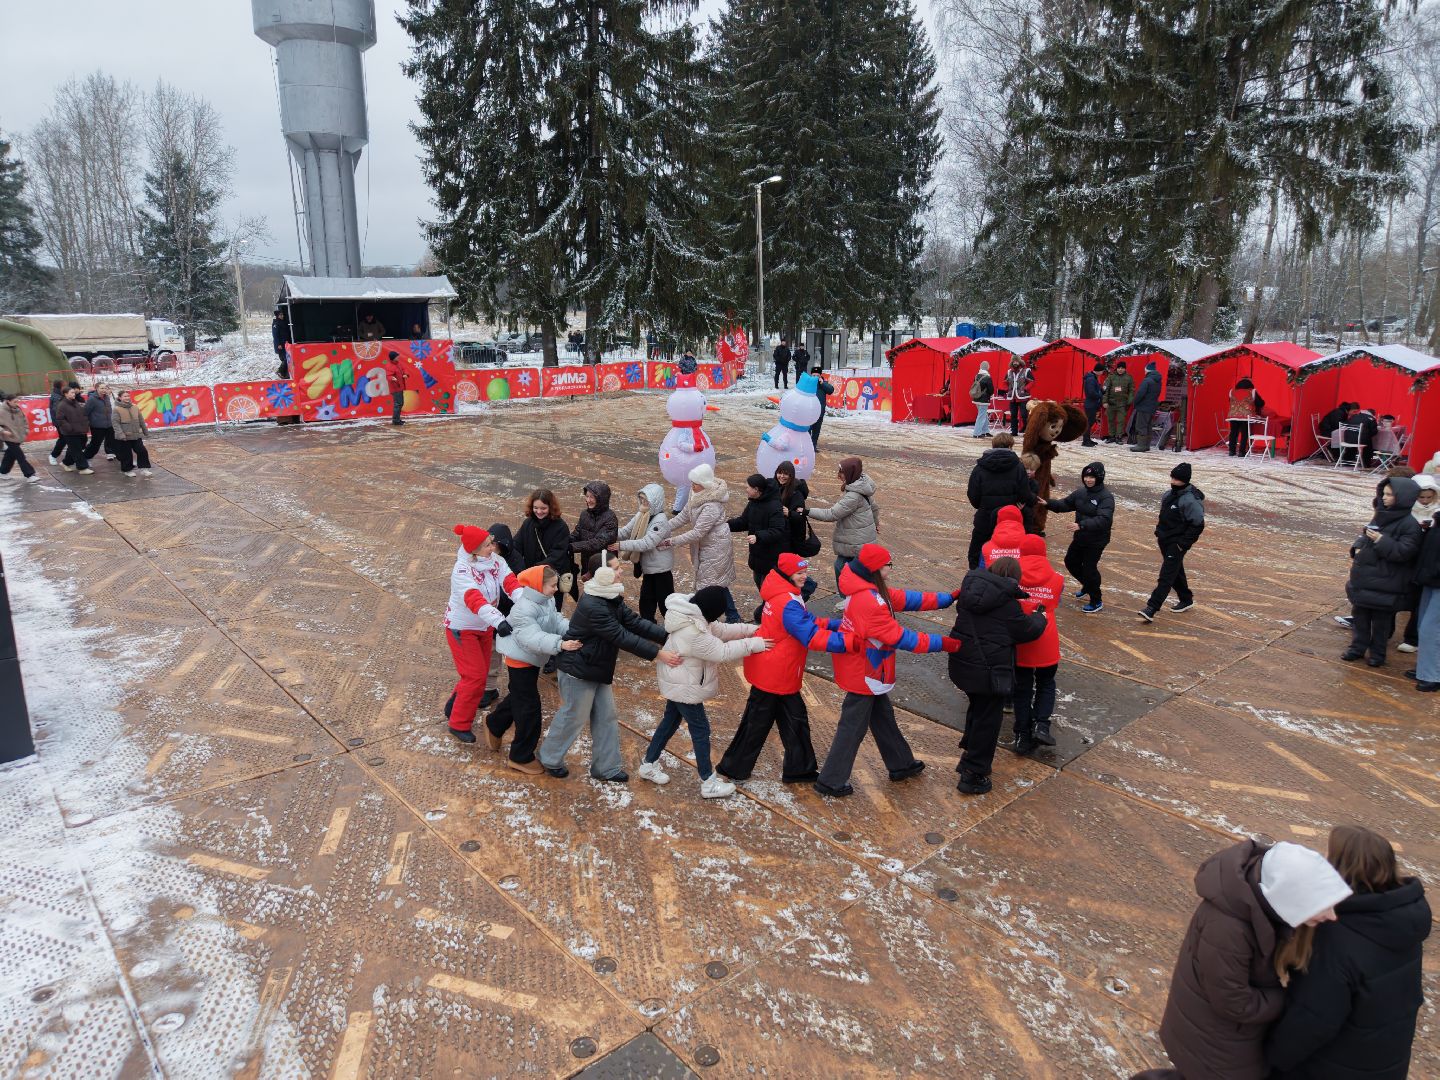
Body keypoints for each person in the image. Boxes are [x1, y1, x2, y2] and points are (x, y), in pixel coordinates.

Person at [1148, 840, 1352, 1080]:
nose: (1332, 916)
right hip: (1216, 1043)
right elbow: (1234, 1002)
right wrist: (1287, 998)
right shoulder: (1228, 930)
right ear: (1289, 900)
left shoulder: (1260, 901)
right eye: (1321, 907)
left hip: (1223, 1037)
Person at [1265, 826, 1430, 1080]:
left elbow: (1311, 1022)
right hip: (1384, 1064)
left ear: (1341, 868)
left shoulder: (1337, 937)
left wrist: (1269, 1059)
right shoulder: (1401, 923)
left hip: (1334, 1067)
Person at [814, 544, 959, 797]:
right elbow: (902, 638)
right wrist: (944, 643)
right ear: (875, 569)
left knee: (883, 718)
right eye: (888, 565)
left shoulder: (869, 590)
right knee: (852, 728)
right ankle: (831, 780)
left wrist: (948, 598)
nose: (890, 568)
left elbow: (908, 598)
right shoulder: (869, 602)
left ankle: (901, 764)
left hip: (868, 669)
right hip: (865, 672)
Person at [538, 557, 682, 780]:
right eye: (615, 568)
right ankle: (549, 757)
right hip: (578, 670)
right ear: (602, 574)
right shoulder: (593, 604)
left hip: (597, 668)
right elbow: (620, 636)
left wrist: (668, 636)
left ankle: (606, 768)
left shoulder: (610, 596)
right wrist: (659, 654)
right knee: (573, 717)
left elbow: (633, 622)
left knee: (606, 716)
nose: (620, 571)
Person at [717, 554, 852, 786]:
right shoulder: (788, 601)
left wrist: (839, 625)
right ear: (788, 574)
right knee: (763, 723)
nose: (804, 576)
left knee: (789, 721)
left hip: (776, 670)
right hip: (776, 673)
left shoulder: (784, 594)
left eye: (805, 572)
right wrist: (850, 642)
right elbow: (809, 635)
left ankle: (796, 769)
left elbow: (807, 620)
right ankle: (737, 767)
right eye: (799, 573)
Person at [639, 586, 772, 799]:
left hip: (679, 680)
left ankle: (648, 764)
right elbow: (722, 652)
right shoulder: (694, 631)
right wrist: (755, 644)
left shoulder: (694, 615)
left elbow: (722, 631)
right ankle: (708, 782)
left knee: (670, 722)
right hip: (685, 684)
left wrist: (751, 629)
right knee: (700, 729)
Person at [946, 556, 1046, 794]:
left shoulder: (970, 593)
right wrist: (1040, 616)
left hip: (964, 665)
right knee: (988, 721)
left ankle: (969, 754)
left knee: (977, 709)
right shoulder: (1006, 604)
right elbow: (1026, 630)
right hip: (988, 671)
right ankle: (973, 774)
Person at [485, 565, 582, 773]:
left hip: (531, 658)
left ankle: (494, 723)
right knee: (529, 708)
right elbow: (532, 637)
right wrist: (560, 644)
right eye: (552, 585)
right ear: (539, 585)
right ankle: (520, 756)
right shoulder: (523, 608)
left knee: (520, 696)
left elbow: (555, 619)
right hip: (520, 660)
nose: (556, 589)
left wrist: (572, 630)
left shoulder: (544, 600)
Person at [628, 464, 741, 622]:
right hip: (706, 544)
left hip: (716, 546)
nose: (692, 486)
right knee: (715, 582)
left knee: (708, 583)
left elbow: (697, 532)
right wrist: (663, 528)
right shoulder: (696, 493)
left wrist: (670, 541)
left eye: (695, 483)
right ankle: (732, 615)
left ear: (704, 485)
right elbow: (684, 516)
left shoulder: (712, 506)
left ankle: (707, 619)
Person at [443, 525, 513, 743]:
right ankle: (458, 724)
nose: (492, 547)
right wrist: (499, 620)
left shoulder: (495, 561)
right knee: (474, 677)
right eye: (487, 545)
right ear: (474, 550)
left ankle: (454, 704)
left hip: (483, 626)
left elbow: (509, 581)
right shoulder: (462, 570)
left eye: (491, 542)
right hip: (463, 629)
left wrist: (523, 601)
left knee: (478, 675)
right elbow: (474, 600)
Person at [1342, 476, 1421, 667]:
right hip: (1365, 579)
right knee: (1360, 618)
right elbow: (1368, 537)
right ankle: (1357, 648)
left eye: (1389, 495)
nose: (1384, 498)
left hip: (1387, 583)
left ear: (1402, 497)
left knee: (1381, 623)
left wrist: (1379, 540)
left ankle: (1377, 654)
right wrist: (1359, 545)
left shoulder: (1410, 525)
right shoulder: (1381, 515)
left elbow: (1404, 552)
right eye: (1383, 494)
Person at [1013, 535, 1064, 752]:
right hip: (1046, 637)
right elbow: (1056, 602)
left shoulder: (1012, 577)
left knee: (1022, 689)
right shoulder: (1057, 578)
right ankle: (1042, 725)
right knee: (1046, 683)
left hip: (1020, 637)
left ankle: (1023, 734)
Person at [1139, 462, 1205, 622]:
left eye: (1177, 479)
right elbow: (1164, 516)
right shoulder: (1168, 495)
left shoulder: (1190, 500)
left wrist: (1182, 544)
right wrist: (1159, 531)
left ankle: (1152, 608)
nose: (1173, 482)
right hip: (1165, 540)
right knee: (1175, 570)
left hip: (1177, 543)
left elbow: (1198, 524)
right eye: (1172, 478)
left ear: (1185, 480)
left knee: (1166, 576)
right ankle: (1186, 599)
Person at [1046, 461, 1113, 613]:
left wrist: (1082, 525)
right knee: (1070, 561)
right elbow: (1065, 504)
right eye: (1086, 476)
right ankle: (1088, 586)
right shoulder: (1081, 492)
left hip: (1096, 540)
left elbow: (1104, 519)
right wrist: (1047, 503)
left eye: (1092, 477)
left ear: (1099, 478)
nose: (1088, 480)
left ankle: (1096, 600)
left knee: (1090, 569)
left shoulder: (1106, 497)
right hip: (1081, 537)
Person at [805, 456, 879, 593]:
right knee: (850, 568)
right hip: (859, 536)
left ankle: (851, 598)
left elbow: (832, 514)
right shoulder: (862, 485)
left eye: (841, 472)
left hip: (857, 540)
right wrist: (876, 523)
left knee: (845, 568)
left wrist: (807, 511)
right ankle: (854, 597)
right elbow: (874, 507)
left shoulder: (854, 496)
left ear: (851, 473)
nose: (838, 475)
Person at [965, 433, 1032, 569]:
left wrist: (981, 506)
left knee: (978, 549)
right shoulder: (1018, 467)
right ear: (1010, 446)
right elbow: (1024, 493)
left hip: (985, 515)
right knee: (1008, 550)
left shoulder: (980, 467)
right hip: (1009, 517)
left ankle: (977, 575)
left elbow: (973, 493)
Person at [616, 483, 674, 622]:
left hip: (660, 569)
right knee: (646, 600)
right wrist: (607, 535)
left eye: (646, 500)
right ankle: (648, 625)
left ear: (655, 501)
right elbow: (625, 531)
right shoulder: (642, 514)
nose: (643, 503)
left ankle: (674, 625)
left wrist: (620, 545)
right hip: (648, 567)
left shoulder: (659, 521)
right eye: (641, 499)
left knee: (665, 601)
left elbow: (647, 543)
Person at [514, 489, 575, 614]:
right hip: (532, 581)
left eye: (543, 508)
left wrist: (535, 571)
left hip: (550, 580)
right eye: (536, 507)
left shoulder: (560, 526)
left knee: (552, 612)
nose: (539, 511)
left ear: (550, 507)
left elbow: (557, 555)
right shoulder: (528, 523)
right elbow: (517, 546)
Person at [728, 473, 788, 598]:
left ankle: (771, 613)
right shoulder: (753, 503)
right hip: (757, 556)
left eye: (748, 487)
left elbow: (777, 530)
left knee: (769, 592)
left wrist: (758, 536)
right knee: (761, 587)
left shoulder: (774, 506)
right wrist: (725, 526)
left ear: (756, 489)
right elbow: (743, 522)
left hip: (771, 557)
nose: (746, 489)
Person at [1396, 474, 1437, 655]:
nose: (1425, 501)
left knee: (1420, 602)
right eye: (1422, 497)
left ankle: (1412, 638)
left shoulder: (1436, 511)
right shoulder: (1406, 510)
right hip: (1408, 559)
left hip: (1426, 562)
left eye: (1429, 497)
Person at [568, 481, 619, 600]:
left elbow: (598, 543)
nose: (588, 500)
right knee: (590, 595)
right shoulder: (584, 515)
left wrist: (572, 547)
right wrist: (562, 542)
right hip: (588, 564)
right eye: (587, 496)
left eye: (592, 497)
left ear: (601, 499)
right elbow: (576, 534)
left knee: (605, 598)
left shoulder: (610, 518)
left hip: (605, 566)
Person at [1413, 476, 1440, 692]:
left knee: (1432, 627)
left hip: (1436, 578)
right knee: (1425, 624)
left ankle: (1432, 674)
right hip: (1430, 577)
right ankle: (1426, 667)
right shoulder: (1437, 517)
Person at [110, 390, 152, 478]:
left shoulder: (135, 407)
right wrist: (121, 434)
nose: (127, 398)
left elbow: (141, 420)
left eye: (128, 396)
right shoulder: (117, 409)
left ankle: (144, 468)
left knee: (142, 451)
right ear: (120, 398)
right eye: (125, 396)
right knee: (126, 454)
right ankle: (127, 470)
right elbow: (115, 423)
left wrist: (145, 431)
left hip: (136, 435)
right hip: (124, 436)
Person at [0, 393, 39, 483]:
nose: (17, 403)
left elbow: (24, 421)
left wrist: (26, 431)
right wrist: (3, 431)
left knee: (10, 455)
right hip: (8, 437)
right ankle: (30, 474)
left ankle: (3, 472)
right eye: (15, 401)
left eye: (18, 401)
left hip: (19, 436)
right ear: (8, 401)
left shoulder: (18, 409)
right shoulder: (1, 411)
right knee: (20, 456)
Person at [53, 386, 91, 474]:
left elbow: (82, 414)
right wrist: (69, 428)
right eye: (72, 393)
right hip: (70, 432)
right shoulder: (62, 404)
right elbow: (60, 419)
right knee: (77, 450)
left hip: (80, 430)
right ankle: (82, 468)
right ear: (66, 394)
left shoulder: (75, 402)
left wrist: (86, 423)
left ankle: (66, 462)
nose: (74, 394)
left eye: (74, 392)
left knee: (76, 447)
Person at [1228, 377, 1266, 456]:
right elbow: (1260, 403)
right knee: (1245, 433)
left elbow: (1230, 401)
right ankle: (1242, 452)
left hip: (1233, 415)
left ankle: (1231, 451)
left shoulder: (1232, 391)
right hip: (1246, 416)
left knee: (1233, 433)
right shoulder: (1252, 391)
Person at [1130, 360, 1162, 453]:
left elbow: (1140, 393)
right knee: (1148, 426)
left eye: (1145, 371)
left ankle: (1141, 445)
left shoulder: (1147, 380)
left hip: (1143, 406)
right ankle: (1146, 445)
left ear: (1148, 371)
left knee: (1141, 426)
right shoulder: (1158, 381)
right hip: (1152, 406)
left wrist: (1135, 402)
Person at [83, 383, 116, 464]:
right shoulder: (92, 399)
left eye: (105, 388)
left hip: (109, 424)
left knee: (112, 441)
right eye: (101, 388)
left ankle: (111, 453)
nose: (103, 390)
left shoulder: (107, 397)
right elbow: (85, 412)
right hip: (97, 426)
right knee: (95, 445)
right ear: (96, 389)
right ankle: (85, 458)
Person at [1103, 360, 1135, 443]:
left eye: (1122, 368)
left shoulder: (1129, 377)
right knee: (1110, 420)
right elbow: (1105, 390)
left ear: (1125, 369)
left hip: (1122, 404)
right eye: (1119, 368)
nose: (1120, 369)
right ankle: (1111, 436)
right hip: (1111, 403)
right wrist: (1104, 401)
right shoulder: (1111, 377)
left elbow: (1132, 390)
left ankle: (1119, 437)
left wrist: (1130, 400)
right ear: (1116, 368)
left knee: (1121, 421)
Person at [809, 366, 835, 449]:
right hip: (808, 411)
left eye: (817, 375)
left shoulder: (824, 384)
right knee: (808, 430)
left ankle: (813, 445)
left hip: (819, 411)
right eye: (813, 375)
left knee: (816, 430)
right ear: (811, 375)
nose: (815, 377)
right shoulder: (807, 383)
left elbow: (831, 390)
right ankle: (807, 446)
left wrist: (822, 383)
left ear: (820, 376)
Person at [1005, 358, 1032, 434]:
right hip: (1012, 397)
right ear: (1012, 362)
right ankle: (1014, 431)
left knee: (1024, 415)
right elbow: (1005, 382)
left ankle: (1027, 430)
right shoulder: (1009, 372)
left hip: (1023, 397)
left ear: (1020, 362)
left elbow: (1032, 382)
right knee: (1013, 415)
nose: (1015, 363)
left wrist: (1025, 389)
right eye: (1014, 361)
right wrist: (1007, 389)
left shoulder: (1026, 371)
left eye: (1017, 361)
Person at [1081, 360, 1105, 447]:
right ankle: (1085, 441)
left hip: (1092, 404)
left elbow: (1096, 390)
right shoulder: (1091, 379)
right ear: (1098, 371)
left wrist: (1102, 391)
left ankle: (1087, 439)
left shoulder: (1093, 378)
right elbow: (1091, 393)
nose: (1102, 373)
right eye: (1102, 371)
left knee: (1090, 422)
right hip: (1090, 404)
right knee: (1089, 422)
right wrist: (1100, 395)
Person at [970, 361, 994, 438]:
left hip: (976, 398)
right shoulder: (987, 377)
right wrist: (989, 395)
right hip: (984, 400)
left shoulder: (976, 376)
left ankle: (985, 431)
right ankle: (977, 433)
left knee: (984, 415)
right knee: (981, 415)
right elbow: (991, 390)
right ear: (987, 367)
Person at [46, 379, 67, 465]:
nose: (66, 386)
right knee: (63, 439)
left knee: (68, 439)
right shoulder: (56, 396)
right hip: (60, 422)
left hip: (64, 422)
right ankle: (53, 456)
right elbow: (57, 410)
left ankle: (70, 459)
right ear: (61, 386)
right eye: (64, 385)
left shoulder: (60, 394)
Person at [384, 351, 408, 426]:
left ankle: (397, 419)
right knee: (398, 404)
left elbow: (404, 370)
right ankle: (395, 420)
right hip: (395, 387)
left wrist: (405, 374)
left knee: (400, 403)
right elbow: (388, 376)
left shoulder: (398, 363)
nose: (398, 357)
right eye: (397, 356)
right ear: (393, 358)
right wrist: (392, 378)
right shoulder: (389, 365)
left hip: (400, 386)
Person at [271, 309, 292, 378]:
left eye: (282, 314)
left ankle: (285, 375)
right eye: (280, 315)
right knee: (286, 358)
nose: (282, 316)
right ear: (277, 316)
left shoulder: (283, 322)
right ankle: (280, 371)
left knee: (287, 358)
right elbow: (275, 335)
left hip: (286, 343)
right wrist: (278, 344)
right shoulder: (276, 323)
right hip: (281, 345)